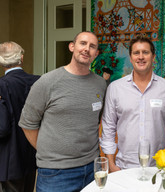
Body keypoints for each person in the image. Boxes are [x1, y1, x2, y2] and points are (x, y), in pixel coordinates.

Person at [18, 31, 107, 192]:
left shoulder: (100, 84)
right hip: (56, 173)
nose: (87, 49)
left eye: (92, 46)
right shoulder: (47, 82)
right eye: (83, 43)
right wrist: (48, 151)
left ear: (96, 53)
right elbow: (27, 123)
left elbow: (96, 121)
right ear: (72, 47)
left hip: (92, 169)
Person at [100, 35, 165, 172]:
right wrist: (112, 165)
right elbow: (108, 128)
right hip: (123, 168)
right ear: (131, 58)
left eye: (146, 52)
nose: (141, 57)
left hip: (158, 169)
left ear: (153, 57)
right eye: (136, 53)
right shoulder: (115, 88)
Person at [0, 41, 40, 192]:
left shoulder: (2, 85)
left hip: (9, 159)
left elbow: (2, 128)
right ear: (21, 58)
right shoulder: (38, 81)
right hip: (32, 153)